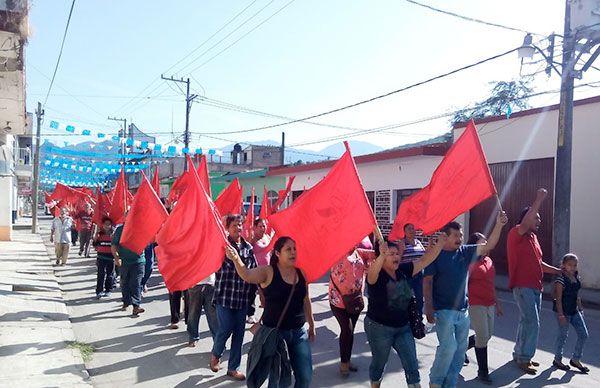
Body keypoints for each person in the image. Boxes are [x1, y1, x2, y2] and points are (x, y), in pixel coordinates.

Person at [424, 211, 508, 388]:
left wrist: (499, 224)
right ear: (445, 237)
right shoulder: (435, 254)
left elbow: (489, 244)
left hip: (463, 312)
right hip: (444, 311)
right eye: (456, 235)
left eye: (461, 235)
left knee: (460, 350)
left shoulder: (466, 251)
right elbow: (427, 281)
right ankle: (435, 381)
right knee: (448, 348)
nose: (460, 238)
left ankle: (450, 382)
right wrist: (429, 308)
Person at [226, 236, 315, 388]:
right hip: (276, 335)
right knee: (279, 381)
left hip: (299, 333)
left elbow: (306, 299)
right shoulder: (268, 272)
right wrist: (235, 259)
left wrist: (311, 326)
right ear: (278, 253)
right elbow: (246, 275)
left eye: (294, 249)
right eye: (288, 249)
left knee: (305, 376)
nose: (293, 252)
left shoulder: (301, 274)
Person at [365, 237, 445, 388]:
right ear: (381, 256)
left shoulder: (403, 270)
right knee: (379, 363)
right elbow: (371, 276)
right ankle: (375, 383)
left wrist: (440, 245)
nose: (396, 256)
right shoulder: (376, 274)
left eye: (397, 253)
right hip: (379, 328)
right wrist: (382, 256)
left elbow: (424, 261)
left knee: (412, 364)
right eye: (391, 254)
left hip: (403, 327)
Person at [507, 188, 561, 374]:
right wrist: (538, 198)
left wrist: (558, 271)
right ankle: (525, 358)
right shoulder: (517, 233)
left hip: (535, 286)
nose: (539, 220)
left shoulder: (533, 238)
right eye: (536, 218)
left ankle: (519, 353)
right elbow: (527, 219)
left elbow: (539, 263)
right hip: (523, 286)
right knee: (532, 322)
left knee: (526, 321)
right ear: (526, 219)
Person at [210, 214, 258, 381]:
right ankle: (216, 354)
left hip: (242, 298)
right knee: (225, 328)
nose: (238, 228)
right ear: (227, 228)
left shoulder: (248, 248)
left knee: (239, 333)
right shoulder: (222, 247)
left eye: (240, 225)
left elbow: (253, 270)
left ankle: (233, 368)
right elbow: (211, 262)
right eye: (234, 226)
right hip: (224, 296)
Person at [329, 245, 376, 376]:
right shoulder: (336, 252)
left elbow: (377, 254)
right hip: (337, 300)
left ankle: (347, 361)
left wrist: (382, 243)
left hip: (354, 300)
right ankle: (344, 364)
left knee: (350, 332)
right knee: (347, 329)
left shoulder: (360, 253)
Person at [464, 232, 504, 384]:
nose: (486, 246)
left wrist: (497, 304)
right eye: (482, 243)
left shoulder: (488, 260)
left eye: (487, 243)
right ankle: (483, 371)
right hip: (475, 303)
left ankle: (460, 349)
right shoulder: (470, 262)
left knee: (488, 335)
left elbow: (491, 283)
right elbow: (464, 285)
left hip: (489, 303)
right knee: (482, 337)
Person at [552, 253, 589, 373]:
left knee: (583, 334)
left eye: (574, 265)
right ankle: (557, 360)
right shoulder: (560, 279)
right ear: (563, 265)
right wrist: (561, 315)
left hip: (574, 311)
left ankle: (575, 359)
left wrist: (581, 309)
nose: (572, 267)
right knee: (563, 336)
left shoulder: (576, 277)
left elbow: (577, 295)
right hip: (563, 312)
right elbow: (558, 298)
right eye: (569, 265)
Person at [111, 220, 146, 317]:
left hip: (138, 260)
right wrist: (117, 258)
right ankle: (126, 301)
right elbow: (114, 245)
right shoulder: (120, 230)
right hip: (125, 261)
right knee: (125, 282)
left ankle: (136, 306)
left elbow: (149, 240)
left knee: (136, 283)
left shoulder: (140, 228)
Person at [399, 223, 426, 317]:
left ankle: (419, 318)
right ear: (405, 232)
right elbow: (398, 259)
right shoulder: (402, 243)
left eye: (413, 228)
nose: (412, 231)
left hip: (419, 274)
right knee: (406, 297)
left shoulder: (418, 242)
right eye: (409, 229)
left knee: (419, 298)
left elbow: (424, 255)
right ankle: (405, 318)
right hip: (407, 274)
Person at [249, 217, 273, 320]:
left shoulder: (267, 237)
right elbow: (247, 252)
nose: (262, 228)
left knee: (267, 294)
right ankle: (251, 314)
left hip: (267, 271)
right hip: (256, 271)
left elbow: (271, 252)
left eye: (264, 226)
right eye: (260, 226)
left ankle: (267, 315)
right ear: (255, 227)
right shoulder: (253, 239)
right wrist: (250, 240)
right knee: (253, 293)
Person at [187, 273, 218, 347]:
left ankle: (218, 343)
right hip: (195, 284)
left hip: (210, 284)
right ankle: (193, 337)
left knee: (213, 316)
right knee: (193, 313)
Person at [93, 217, 115, 299]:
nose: (107, 226)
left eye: (109, 224)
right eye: (105, 224)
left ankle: (108, 290)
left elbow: (116, 245)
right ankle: (99, 291)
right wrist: (95, 239)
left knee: (110, 274)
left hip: (110, 258)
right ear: (103, 225)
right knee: (100, 274)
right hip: (101, 257)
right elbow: (95, 245)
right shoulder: (100, 235)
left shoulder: (113, 235)